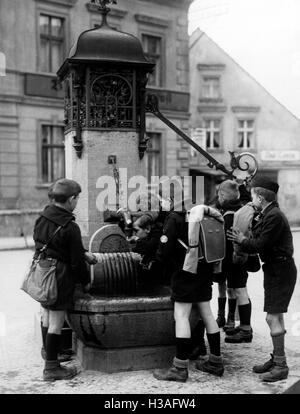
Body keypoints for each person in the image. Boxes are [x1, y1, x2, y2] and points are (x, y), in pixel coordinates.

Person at [227, 177, 297, 382]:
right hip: (276, 269)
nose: (251, 200)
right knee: (276, 317)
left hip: (280, 270)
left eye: (253, 196)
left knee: (271, 318)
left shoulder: (274, 216)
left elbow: (260, 244)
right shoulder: (267, 213)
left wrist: (241, 240)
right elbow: (257, 236)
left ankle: (281, 366)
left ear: (260, 196)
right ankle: (277, 359)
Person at [153, 198, 225, 382]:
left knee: (182, 316)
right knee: (207, 314)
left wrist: (159, 257)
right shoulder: (201, 213)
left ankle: (179, 368)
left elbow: (165, 248)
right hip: (205, 269)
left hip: (185, 271)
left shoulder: (174, 218)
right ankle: (216, 362)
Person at [33, 178, 95, 381]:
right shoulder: (70, 226)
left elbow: (45, 244)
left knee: (46, 316)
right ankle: (52, 368)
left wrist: (81, 253)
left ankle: (50, 353)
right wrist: (85, 281)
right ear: (70, 199)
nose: (77, 202)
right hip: (59, 276)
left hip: (43, 271)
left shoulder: (42, 217)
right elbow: (76, 262)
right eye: (77, 198)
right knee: (56, 322)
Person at [216, 180, 253, 343]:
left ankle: (245, 329)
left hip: (235, 259)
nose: (218, 197)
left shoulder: (230, 214)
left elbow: (228, 239)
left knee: (240, 291)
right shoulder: (241, 207)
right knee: (234, 290)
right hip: (238, 259)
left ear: (223, 195)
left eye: (219, 194)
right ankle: (233, 323)